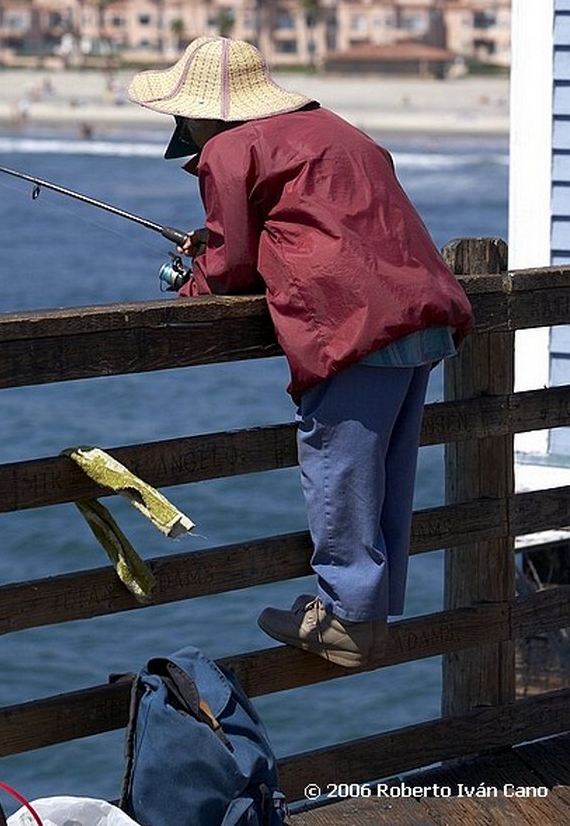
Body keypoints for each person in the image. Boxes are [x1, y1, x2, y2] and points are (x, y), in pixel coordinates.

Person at [128, 37, 474, 670]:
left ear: (203, 111)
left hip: (354, 324)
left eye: (182, 114)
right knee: (384, 471)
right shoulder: (334, 128)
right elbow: (322, 222)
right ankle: (368, 611)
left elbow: (230, 270)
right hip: (420, 312)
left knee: (336, 466)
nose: (180, 127)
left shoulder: (229, 150)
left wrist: (191, 280)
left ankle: (346, 622)